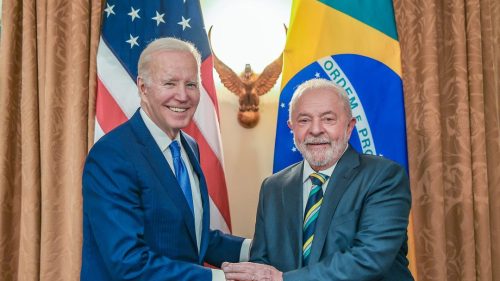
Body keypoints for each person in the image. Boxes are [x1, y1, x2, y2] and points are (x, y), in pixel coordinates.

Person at [81, 37, 250, 281]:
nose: (182, 96)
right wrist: (219, 278)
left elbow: (191, 236)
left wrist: (255, 250)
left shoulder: (188, 147)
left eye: (191, 84)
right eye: (170, 83)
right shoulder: (112, 156)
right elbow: (128, 262)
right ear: (143, 87)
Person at [223, 78, 413, 281]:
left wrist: (284, 280)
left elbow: (369, 258)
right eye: (304, 120)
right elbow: (262, 261)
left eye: (328, 119)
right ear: (291, 128)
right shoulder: (273, 187)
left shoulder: (384, 177)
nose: (315, 130)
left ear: (349, 127)